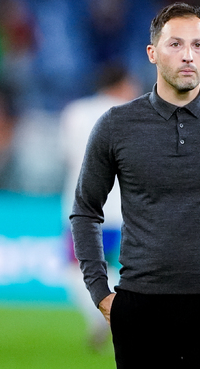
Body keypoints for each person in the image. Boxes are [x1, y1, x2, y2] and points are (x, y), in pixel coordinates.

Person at [70, 2, 200, 368]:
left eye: (198, 45)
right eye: (175, 44)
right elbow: (85, 209)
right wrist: (98, 292)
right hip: (141, 307)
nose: (188, 55)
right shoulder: (115, 125)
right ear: (152, 53)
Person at [59, 64, 139, 351]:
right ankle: (121, 318)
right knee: (118, 268)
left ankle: (100, 317)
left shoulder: (75, 112)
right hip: (121, 207)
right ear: (120, 83)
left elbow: (67, 156)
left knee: (75, 268)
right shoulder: (133, 113)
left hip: (80, 207)